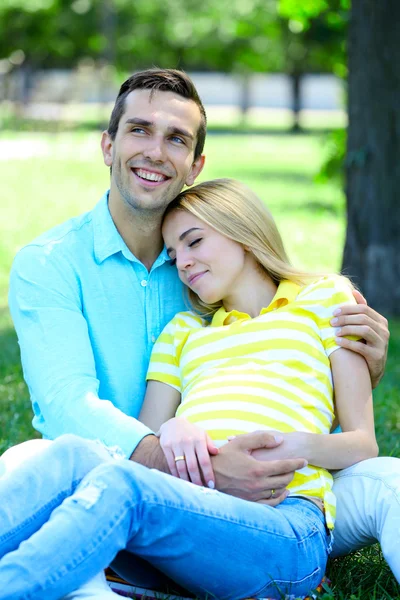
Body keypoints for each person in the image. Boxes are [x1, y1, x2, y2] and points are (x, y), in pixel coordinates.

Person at [5, 69, 398, 595]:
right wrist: (179, 449)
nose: (155, 151)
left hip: (271, 491)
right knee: (51, 460)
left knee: (391, 481)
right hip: (147, 480)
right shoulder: (56, 267)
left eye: (177, 139)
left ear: (196, 165)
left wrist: (363, 358)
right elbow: (66, 404)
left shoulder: (258, 287)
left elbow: (310, 393)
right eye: (139, 130)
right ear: (108, 145)